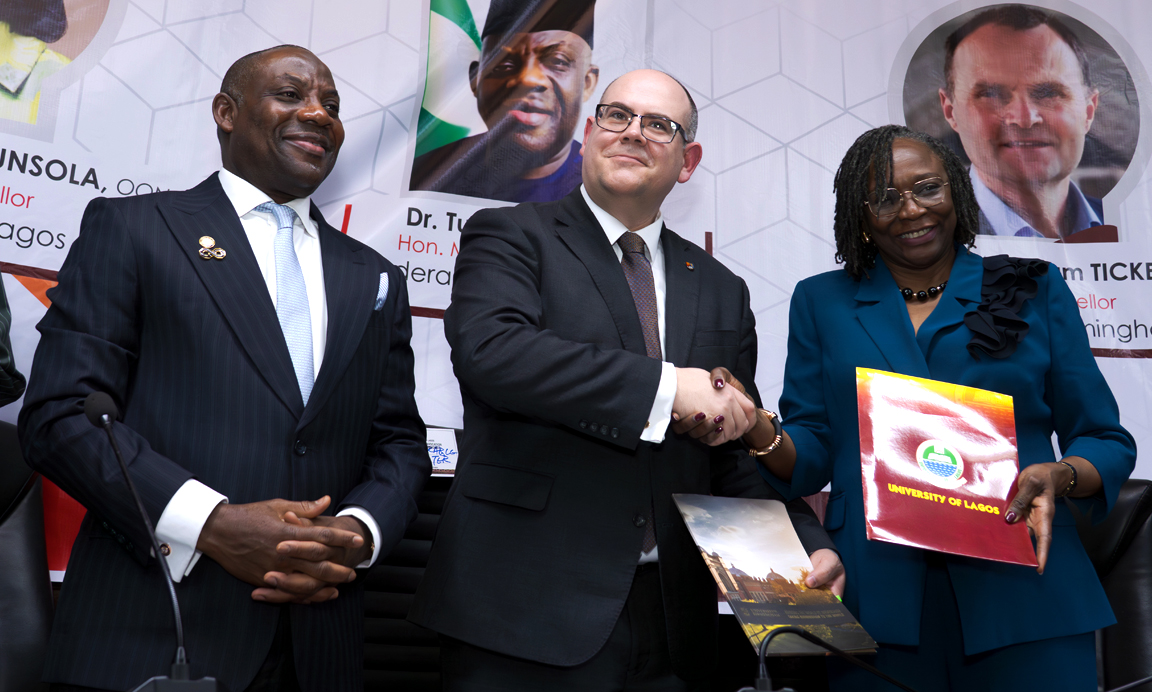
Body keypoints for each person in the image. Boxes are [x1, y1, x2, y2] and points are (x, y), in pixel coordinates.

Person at [408, 68, 843, 690]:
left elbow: (729, 452)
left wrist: (802, 545)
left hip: (672, 625)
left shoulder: (721, 289)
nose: (634, 133)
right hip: (522, 614)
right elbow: (494, 355)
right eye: (617, 115)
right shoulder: (509, 236)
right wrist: (668, 389)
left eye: (659, 125)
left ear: (688, 161)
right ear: (589, 134)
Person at [19, 45, 430, 692]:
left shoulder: (373, 277)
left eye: (332, 104)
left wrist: (356, 534)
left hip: (317, 647)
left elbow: (400, 445)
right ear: (226, 112)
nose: (318, 113)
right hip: (150, 639)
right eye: (291, 95)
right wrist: (212, 525)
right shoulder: (136, 229)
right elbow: (63, 415)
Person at [745, 124, 1134, 690]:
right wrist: (759, 430)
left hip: (1024, 590)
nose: (910, 210)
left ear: (957, 190)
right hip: (877, 598)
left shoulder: (1033, 288)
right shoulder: (821, 301)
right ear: (860, 216)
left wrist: (1062, 474)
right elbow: (811, 452)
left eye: (928, 188)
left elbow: (1105, 437)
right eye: (884, 198)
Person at [939, 6, 1104, 240]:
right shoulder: (925, 241)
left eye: (1048, 93)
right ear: (950, 110)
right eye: (991, 94)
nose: (1024, 119)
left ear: (1089, 111)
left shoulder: (1136, 228)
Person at [409, 0, 599, 203]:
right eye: (504, 64)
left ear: (587, 83)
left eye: (558, 61)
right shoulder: (427, 178)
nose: (528, 79)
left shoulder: (605, 191)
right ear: (476, 80)